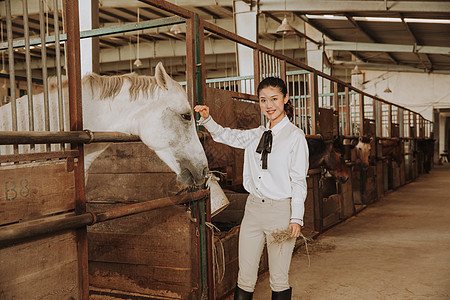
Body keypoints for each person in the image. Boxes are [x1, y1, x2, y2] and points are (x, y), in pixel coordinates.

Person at [194, 77, 309, 300]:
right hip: (253, 210)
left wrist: (296, 218)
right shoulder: (256, 134)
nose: (269, 105)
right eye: (263, 100)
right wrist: (207, 120)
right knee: (245, 276)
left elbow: (298, 181)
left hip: (280, 213)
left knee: (278, 277)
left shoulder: (295, 137)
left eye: (274, 99)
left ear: (285, 99)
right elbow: (225, 135)